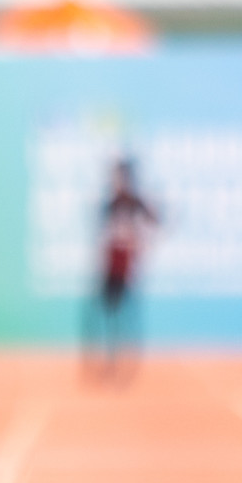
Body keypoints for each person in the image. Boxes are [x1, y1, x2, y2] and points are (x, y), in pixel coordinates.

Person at [84, 157, 158, 382]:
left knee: (127, 318)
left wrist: (142, 244)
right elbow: (101, 234)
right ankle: (109, 362)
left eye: (121, 177)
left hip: (127, 265)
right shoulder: (111, 204)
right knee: (106, 316)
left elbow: (154, 223)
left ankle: (125, 365)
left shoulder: (136, 203)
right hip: (111, 264)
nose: (117, 181)